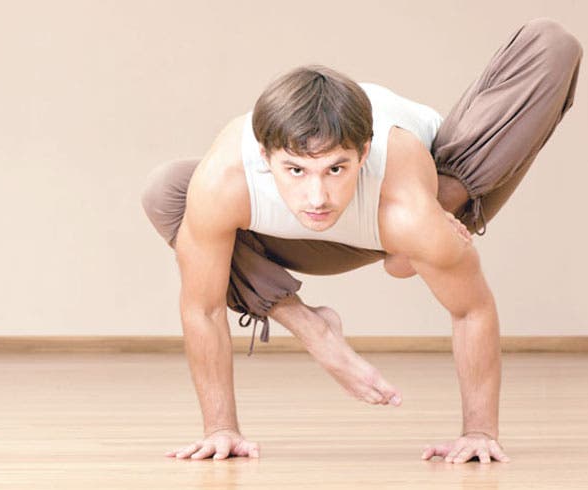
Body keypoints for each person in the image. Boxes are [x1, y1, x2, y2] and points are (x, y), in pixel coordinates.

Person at [141, 18, 582, 463]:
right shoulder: (225, 179)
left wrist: (480, 431)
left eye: (337, 168)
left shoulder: (406, 206)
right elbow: (204, 306)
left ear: (363, 154)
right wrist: (221, 428)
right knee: (167, 190)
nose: (318, 197)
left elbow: (471, 309)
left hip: (417, 196)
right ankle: (314, 322)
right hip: (300, 240)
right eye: (296, 170)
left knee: (552, 42)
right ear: (264, 156)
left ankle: (442, 204)